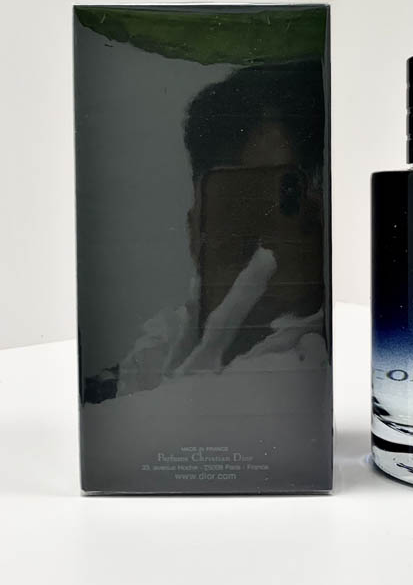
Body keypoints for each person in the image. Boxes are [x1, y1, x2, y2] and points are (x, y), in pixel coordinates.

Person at [84, 60, 327, 403]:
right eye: (241, 203)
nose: (272, 235)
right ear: (195, 226)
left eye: (289, 200)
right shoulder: (122, 385)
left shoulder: (357, 368)